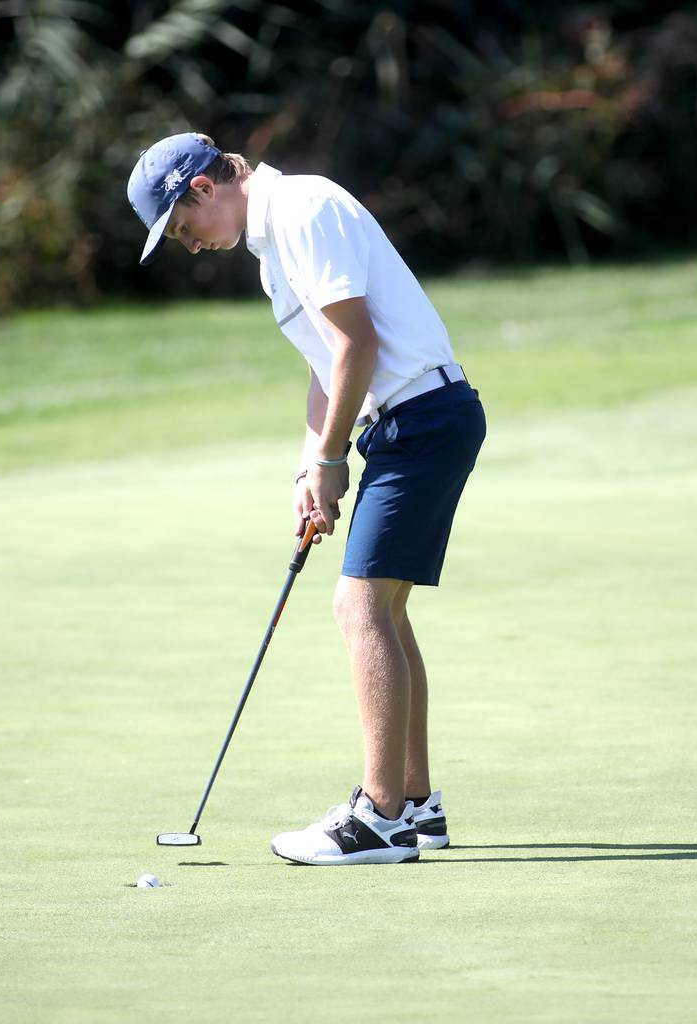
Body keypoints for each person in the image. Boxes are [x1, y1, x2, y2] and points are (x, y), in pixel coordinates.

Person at [128, 132, 485, 865]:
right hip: (406, 423)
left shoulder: (302, 208)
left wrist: (331, 457)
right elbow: (329, 368)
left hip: (422, 417)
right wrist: (307, 469)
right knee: (382, 606)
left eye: (184, 230)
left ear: (202, 189)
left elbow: (359, 346)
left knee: (358, 606)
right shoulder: (272, 253)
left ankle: (379, 817)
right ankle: (415, 805)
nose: (189, 247)